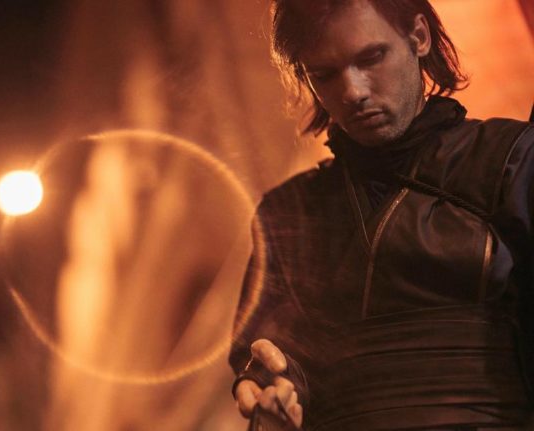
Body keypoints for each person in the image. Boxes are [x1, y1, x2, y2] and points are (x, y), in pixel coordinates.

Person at [228, 0, 534, 429]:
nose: (353, 92)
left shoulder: (509, 160)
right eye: (324, 74)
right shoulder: (287, 213)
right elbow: (269, 359)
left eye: (371, 57)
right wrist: (268, 387)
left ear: (419, 36)